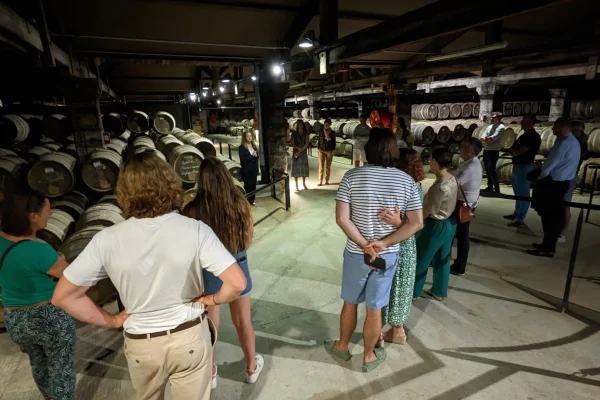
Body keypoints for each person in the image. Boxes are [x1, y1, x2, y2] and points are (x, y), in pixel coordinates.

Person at [52, 151, 247, 400]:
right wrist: (213, 300)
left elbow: (63, 296)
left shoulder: (106, 239)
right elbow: (237, 283)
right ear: (169, 183)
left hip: (141, 343)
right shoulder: (194, 229)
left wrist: (111, 320)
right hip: (187, 336)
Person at [326, 129, 423, 372]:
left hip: (356, 253)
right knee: (375, 306)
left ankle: (342, 346)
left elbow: (342, 219)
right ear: (393, 151)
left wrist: (364, 244)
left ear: (369, 149)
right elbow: (416, 223)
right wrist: (384, 244)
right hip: (387, 256)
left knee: (350, 302)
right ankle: (369, 356)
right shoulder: (406, 181)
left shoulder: (352, 176)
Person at [184, 156, 264, 389]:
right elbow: (248, 240)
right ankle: (251, 367)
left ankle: (209, 374)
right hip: (237, 264)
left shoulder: (192, 210)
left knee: (210, 326)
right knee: (243, 322)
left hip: (207, 270)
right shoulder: (240, 204)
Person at [0, 191, 74, 400]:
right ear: (33, 217)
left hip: (15, 319)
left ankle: (48, 397)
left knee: (38, 362)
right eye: (47, 209)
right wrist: (60, 259)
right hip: (48, 318)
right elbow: (68, 276)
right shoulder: (40, 250)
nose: (51, 214)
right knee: (61, 368)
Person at [379, 148, 425, 344]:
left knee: (396, 286)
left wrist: (398, 223)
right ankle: (390, 329)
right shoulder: (409, 185)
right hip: (398, 242)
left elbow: (415, 224)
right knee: (392, 285)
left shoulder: (412, 188)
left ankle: (395, 331)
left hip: (402, 243)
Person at [528, 118, 580, 257]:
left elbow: (550, 164)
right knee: (551, 216)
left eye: (555, 126)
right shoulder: (569, 141)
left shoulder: (564, 143)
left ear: (563, 127)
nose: (552, 129)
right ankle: (547, 244)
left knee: (549, 217)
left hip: (554, 183)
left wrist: (539, 177)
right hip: (560, 182)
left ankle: (548, 248)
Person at [413, 148, 458, 301]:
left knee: (421, 258)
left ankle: (413, 292)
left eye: (431, 159)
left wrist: (414, 225)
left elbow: (428, 211)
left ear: (436, 162)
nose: (429, 162)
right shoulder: (452, 178)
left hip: (436, 225)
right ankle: (439, 291)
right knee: (442, 259)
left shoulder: (440, 187)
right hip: (450, 223)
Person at [451, 138, 483, 276]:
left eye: (462, 147)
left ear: (469, 149)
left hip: (463, 205)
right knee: (456, 234)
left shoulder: (471, 167)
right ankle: (449, 260)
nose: (460, 149)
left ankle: (460, 265)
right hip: (466, 203)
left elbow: (454, 183)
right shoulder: (470, 163)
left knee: (461, 235)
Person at [503, 114, 541, 227]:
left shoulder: (533, 136)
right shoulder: (524, 135)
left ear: (531, 123)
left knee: (523, 193)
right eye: (523, 120)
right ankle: (517, 213)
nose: (522, 123)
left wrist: (512, 153)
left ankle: (520, 218)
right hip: (519, 166)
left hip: (525, 166)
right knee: (518, 192)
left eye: (525, 121)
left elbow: (521, 150)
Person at [558, 120, 587, 243]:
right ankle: (559, 232)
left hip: (568, 177)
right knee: (563, 205)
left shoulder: (575, 144)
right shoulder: (575, 143)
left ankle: (560, 233)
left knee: (565, 206)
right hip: (567, 176)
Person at [481, 112, 505, 193]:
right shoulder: (489, 127)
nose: (492, 119)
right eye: (491, 117)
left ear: (499, 119)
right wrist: (486, 139)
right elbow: (482, 137)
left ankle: (497, 188)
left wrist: (487, 139)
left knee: (492, 169)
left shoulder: (501, 127)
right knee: (487, 169)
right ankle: (490, 186)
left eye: (494, 118)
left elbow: (491, 138)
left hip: (493, 151)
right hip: (486, 150)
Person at [239, 131, 259, 205]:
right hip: (246, 170)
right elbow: (243, 159)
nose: (249, 137)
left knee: (253, 186)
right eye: (247, 136)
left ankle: (252, 200)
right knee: (248, 186)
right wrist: (252, 156)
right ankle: (247, 202)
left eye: (250, 136)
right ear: (245, 137)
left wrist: (256, 156)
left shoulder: (254, 146)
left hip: (253, 169)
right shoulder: (241, 147)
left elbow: (257, 157)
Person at [291, 119, 310, 191]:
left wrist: (302, 149)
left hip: (303, 152)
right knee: (296, 168)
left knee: (303, 168)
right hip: (296, 151)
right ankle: (296, 185)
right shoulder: (294, 133)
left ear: (302, 125)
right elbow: (292, 143)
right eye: (297, 124)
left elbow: (307, 142)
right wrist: (298, 148)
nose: (299, 126)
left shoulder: (306, 133)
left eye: (300, 124)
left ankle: (304, 183)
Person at [317, 119, 336, 186]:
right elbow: (319, 141)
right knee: (321, 166)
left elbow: (333, 143)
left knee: (328, 167)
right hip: (321, 150)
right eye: (325, 125)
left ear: (330, 125)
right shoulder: (321, 132)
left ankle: (327, 180)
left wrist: (328, 137)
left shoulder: (332, 133)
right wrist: (318, 148)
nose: (325, 126)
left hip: (329, 151)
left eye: (327, 125)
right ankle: (320, 181)